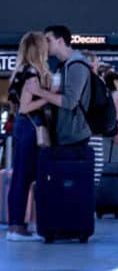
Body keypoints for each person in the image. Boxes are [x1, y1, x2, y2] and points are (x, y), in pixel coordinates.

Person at [6, 32, 51, 241]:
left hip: (20, 127)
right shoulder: (32, 73)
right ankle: (18, 228)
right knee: (24, 179)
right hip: (31, 128)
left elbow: (17, 107)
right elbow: (26, 107)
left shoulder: (18, 73)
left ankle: (14, 225)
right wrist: (48, 98)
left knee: (18, 178)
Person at [30, 26, 92, 148]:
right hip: (65, 137)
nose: (44, 44)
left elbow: (70, 102)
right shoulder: (62, 67)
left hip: (74, 140)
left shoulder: (76, 66)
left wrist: (38, 91)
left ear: (61, 41)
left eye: (48, 40)